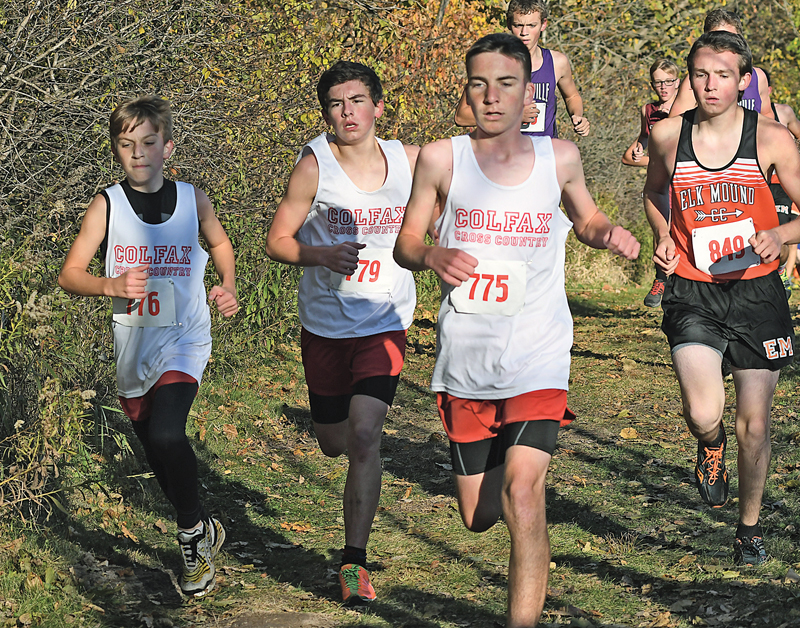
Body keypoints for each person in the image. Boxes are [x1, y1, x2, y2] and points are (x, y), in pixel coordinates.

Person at [395, 33, 639, 627]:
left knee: (524, 495)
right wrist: (431, 257)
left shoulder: (559, 157)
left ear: (528, 91)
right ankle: (500, 456)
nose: (491, 96)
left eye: (505, 83)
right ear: (467, 91)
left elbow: (586, 215)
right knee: (478, 515)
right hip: (466, 360)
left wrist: (607, 233)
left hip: (539, 350)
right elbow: (406, 241)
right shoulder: (440, 158)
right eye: (479, 83)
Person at [58, 95, 239, 597]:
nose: (138, 153)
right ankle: (202, 525)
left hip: (186, 338)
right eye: (126, 144)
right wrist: (108, 285)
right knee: (157, 451)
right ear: (116, 151)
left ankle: (190, 544)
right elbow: (69, 274)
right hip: (133, 350)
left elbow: (220, 243)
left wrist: (227, 283)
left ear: (167, 146)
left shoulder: (192, 199)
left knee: (167, 433)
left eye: (148, 142)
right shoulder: (107, 204)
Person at [265, 61, 419, 605]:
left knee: (363, 434)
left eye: (357, 100)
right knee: (333, 441)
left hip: (386, 320)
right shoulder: (314, 165)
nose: (347, 112)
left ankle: (354, 561)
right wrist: (318, 253)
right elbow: (277, 240)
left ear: (378, 106)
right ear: (326, 112)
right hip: (326, 325)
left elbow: (448, 208)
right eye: (336, 103)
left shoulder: (410, 161)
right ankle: (335, 440)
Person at [644, 31, 800, 566]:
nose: (711, 86)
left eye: (724, 75)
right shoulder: (668, 135)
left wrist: (781, 235)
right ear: (690, 78)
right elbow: (653, 194)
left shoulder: (772, 139)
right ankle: (710, 447)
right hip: (693, 290)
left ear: (744, 81)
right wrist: (664, 235)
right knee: (703, 409)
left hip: (758, 294)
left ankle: (749, 529)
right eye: (701, 75)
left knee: (754, 424)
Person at [454, 0, 590, 138]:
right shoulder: (491, 64)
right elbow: (461, 116)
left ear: (543, 24)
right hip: (503, 153)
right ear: (509, 24)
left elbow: (572, 96)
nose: (524, 33)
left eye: (532, 25)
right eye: (518, 25)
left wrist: (578, 116)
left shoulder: (557, 62)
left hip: (544, 154)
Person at [621, 58, 680, 307]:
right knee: (661, 231)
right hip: (660, 183)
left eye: (668, 81)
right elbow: (632, 153)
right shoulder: (648, 111)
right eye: (658, 82)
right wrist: (644, 156)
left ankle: (682, 282)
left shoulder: (691, 108)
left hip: (685, 179)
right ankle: (661, 280)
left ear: (678, 83)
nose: (663, 87)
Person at [669, 9, 771, 118]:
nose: (722, 46)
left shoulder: (758, 77)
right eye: (716, 40)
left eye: (729, 39)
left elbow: (767, 115)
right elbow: (673, 127)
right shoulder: (695, 82)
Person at [763, 69, 800, 298]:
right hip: (757, 185)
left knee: (782, 232)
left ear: (768, 90)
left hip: (782, 184)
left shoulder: (782, 112)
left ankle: (780, 271)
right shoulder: (741, 114)